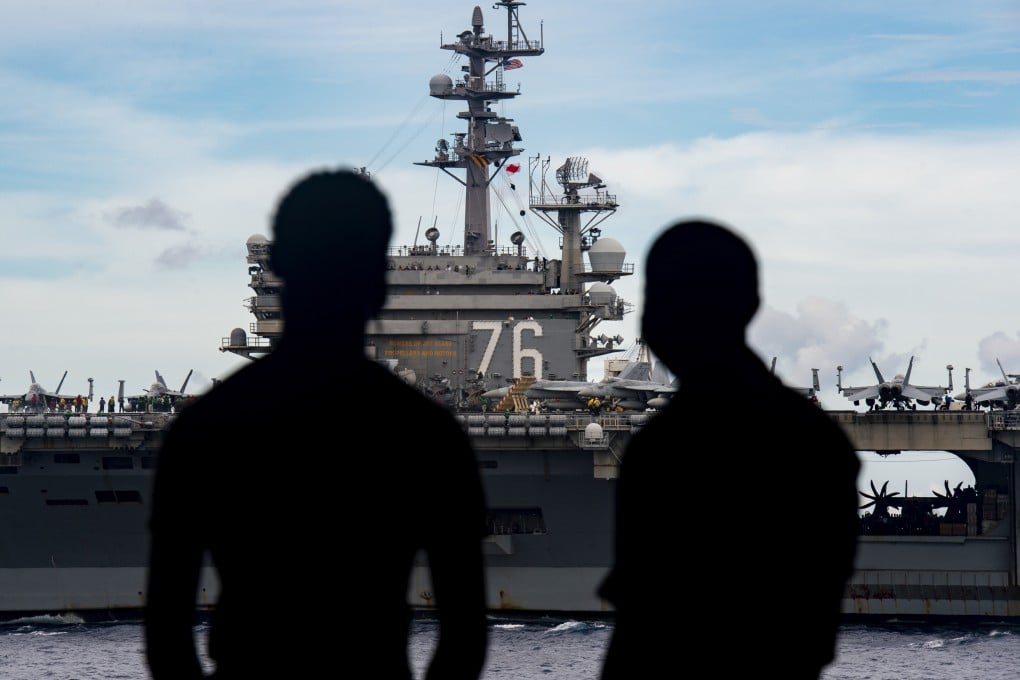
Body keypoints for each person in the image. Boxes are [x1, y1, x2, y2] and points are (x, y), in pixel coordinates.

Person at [144, 169, 490, 680]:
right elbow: (464, 639)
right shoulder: (428, 434)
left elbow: (166, 639)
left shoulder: (203, 428)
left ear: (278, 267)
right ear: (377, 281)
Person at [597, 219, 860, 680]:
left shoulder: (659, 452)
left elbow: (637, 635)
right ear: (752, 305)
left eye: (665, 302)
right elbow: (814, 629)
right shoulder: (818, 442)